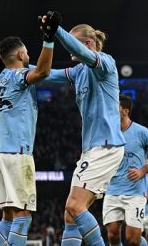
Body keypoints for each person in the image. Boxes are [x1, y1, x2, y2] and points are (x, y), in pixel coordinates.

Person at [39, 13, 126, 246]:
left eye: (72, 43)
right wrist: (13, 69)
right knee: (70, 215)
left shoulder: (105, 63)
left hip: (106, 146)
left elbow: (85, 55)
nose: (69, 50)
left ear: (87, 43)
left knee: (74, 206)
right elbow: (45, 74)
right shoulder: (78, 71)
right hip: (92, 149)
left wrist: (56, 31)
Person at [0, 12, 61, 246]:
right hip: (17, 153)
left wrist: (4, 66)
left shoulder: (0, 80)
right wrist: (48, 39)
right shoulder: (19, 76)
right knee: (23, 217)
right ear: (19, 54)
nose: (28, 55)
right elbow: (44, 72)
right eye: (26, 51)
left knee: (8, 218)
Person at [103, 94, 148, 246]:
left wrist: (143, 170)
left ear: (125, 111)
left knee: (132, 240)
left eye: (114, 106)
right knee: (112, 236)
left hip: (135, 193)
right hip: (112, 190)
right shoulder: (106, 132)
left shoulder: (141, 132)